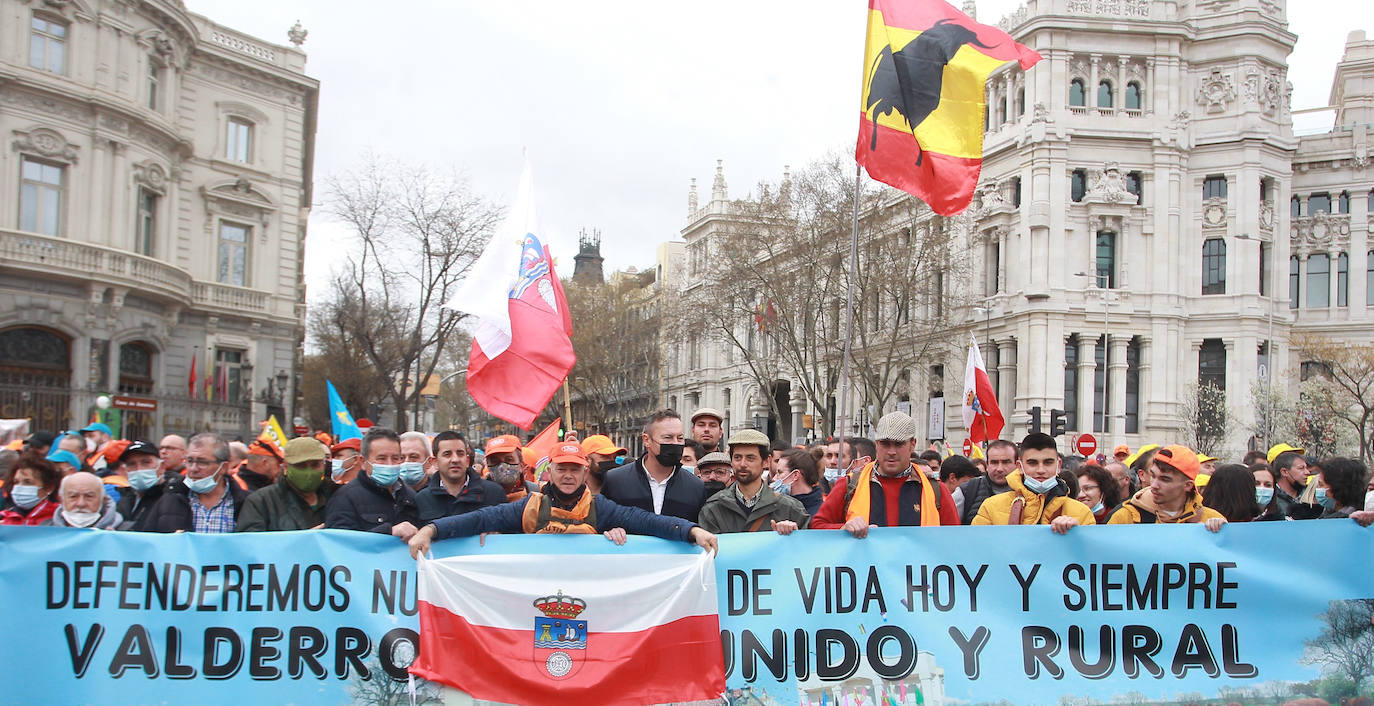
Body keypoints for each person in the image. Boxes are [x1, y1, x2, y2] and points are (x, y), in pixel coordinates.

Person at [407, 442, 718, 557]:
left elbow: (648, 522)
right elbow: (477, 520)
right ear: (549, 472)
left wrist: (692, 532)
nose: (568, 476)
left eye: (575, 470)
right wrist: (430, 530)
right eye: (562, 469)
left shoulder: (601, 507)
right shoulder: (528, 507)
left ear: (585, 474)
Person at [811, 411, 959, 536]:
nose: (891, 452)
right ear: (877, 444)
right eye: (885, 444)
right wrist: (844, 528)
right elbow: (817, 526)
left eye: (899, 444)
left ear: (912, 444)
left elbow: (955, 539)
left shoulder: (936, 490)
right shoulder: (849, 486)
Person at [973, 433, 1094, 532]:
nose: (1040, 470)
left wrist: (1077, 534)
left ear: (1059, 465)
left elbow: (1091, 556)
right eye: (1032, 463)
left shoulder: (1081, 513)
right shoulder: (991, 507)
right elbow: (977, 551)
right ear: (1020, 467)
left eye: (1048, 462)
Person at [602, 409, 706, 523]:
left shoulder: (695, 487)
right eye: (668, 437)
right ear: (647, 440)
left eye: (680, 438)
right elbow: (604, 522)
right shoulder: (616, 480)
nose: (675, 443)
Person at [698, 429, 808, 534]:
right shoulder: (714, 509)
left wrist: (793, 534)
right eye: (737, 458)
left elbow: (805, 549)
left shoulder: (790, 509)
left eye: (750, 458)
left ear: (766, 461)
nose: (742, 464)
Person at [325, 427, 422, 538]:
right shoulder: (345, 498)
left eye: (395, 458)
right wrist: (388, 532)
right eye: (381, 458)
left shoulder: (409, 495)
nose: (389, 464)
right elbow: (338, 543)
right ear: (363, 462)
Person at [143, 433, 249, 533]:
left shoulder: (246, 503)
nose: (193, 469)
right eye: (189, 461)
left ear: (223, 467)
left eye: (202, 462)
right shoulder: (170, 500)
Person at [1107, 445, 1226, 530]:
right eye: (1153, 475)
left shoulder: (1210, 519)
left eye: (1165, 479)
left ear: (1188, 485)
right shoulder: (1125, 518)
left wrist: (1222, 534)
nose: (1154, 485)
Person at [237, 437, 337, 532]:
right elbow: (250, 544)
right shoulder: (261, 502)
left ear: (324, 465)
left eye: (315, 465)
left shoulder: (336, 495)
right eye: (301, 466)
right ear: (285, 467)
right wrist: (303, 539)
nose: (309, 472)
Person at [416, 431, 504, 523]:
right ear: (434, 462)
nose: (455, 459)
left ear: (467, 460)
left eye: (460, 453)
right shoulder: (422, 499)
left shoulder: (494, 493)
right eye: (447, 454)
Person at [114, 439, 179, 531]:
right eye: (131, 464)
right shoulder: (125, 498)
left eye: (146, 462)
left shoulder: (172, 499)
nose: (139, 469)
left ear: (162, 467)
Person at [954, 439, 1016, 524]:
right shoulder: (967, 490)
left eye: (1006, 462)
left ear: (1017, 464)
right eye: (994, 462)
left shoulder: (1029, 493)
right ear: (987, 464)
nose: (999, 469)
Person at [1, 452, 61, 525]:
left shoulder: (58, 518)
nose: (19, 487)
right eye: (16, 482)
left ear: (48, 488)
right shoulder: (4, 518)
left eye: (27, 482)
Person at [46, 471, 121, 529]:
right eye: (73, 496)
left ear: (103, 500)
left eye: (89, 496)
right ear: (61, 500)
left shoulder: (125, 531)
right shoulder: (45, 531)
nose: (81, 504)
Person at [1310, 457, 1374, 524]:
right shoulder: (1328, 513)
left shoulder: (1350, 522)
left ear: (1338, 488)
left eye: (1321, 485)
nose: (1317, 489)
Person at [484, 435, 539, 502]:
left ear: (521, 466)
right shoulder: (477, 497)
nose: (502, 466)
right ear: (487, 466)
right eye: (495, 461)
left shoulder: (537, 494)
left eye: (509, 459)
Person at [776, 448, 824, 517]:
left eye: (780, 473)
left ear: (795, 475)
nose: (775, 478)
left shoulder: (819, 515)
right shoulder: (780, 506)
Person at [1271, 447, 1314, 519]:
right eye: (1301, 468)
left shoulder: (1311, 496)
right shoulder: (1271, 499)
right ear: (1284, 472)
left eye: (1306, 468)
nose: (1307, 472)